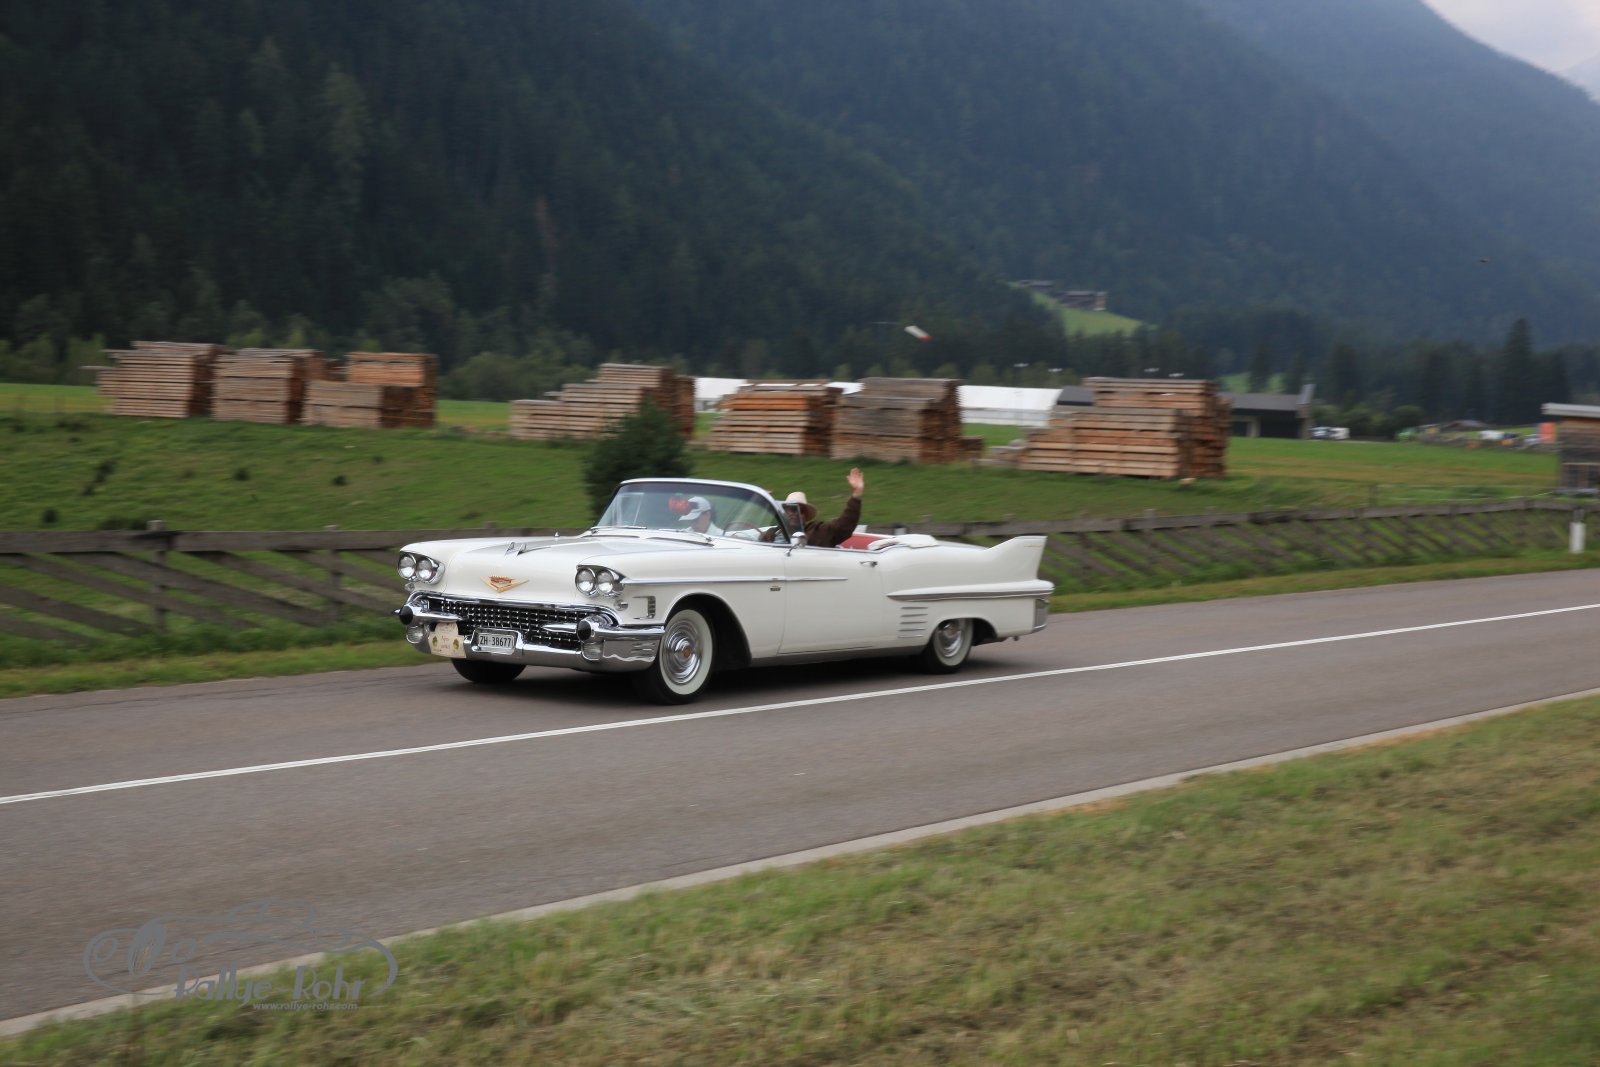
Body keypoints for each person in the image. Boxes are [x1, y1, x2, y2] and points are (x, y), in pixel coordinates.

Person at [767, 467, 865, 548]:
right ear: (784, 512)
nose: (795, 513)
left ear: (805, 515)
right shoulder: (772, 533)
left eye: (800, 510)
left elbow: (844, 525)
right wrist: (762, 501)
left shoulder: (818, 531)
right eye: (792, 509)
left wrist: (856, 494)